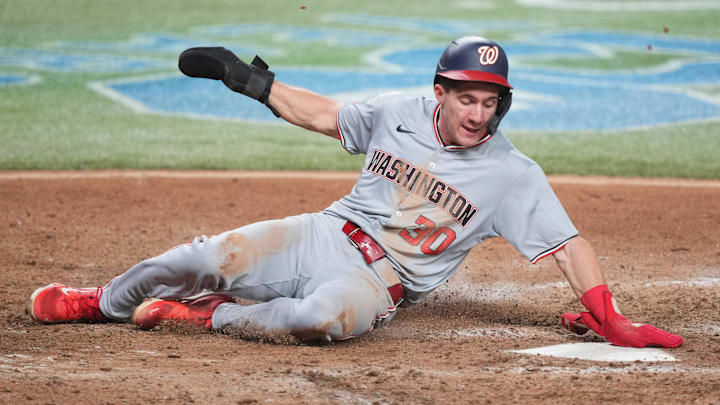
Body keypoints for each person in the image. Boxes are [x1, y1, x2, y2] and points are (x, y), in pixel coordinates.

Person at [28, 37, 682, 348]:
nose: (479, 113)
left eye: (490, 101)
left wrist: (607, 311)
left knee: (321, 321)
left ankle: (205, 315)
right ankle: (99, 302)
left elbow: (568, 245)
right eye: (467, 98)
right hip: (322, 232)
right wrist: (256, 85)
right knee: (198, 258)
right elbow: (325, 116)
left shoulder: (513, 174)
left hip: (379, 283)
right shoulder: (397, 110)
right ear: (440, 92)